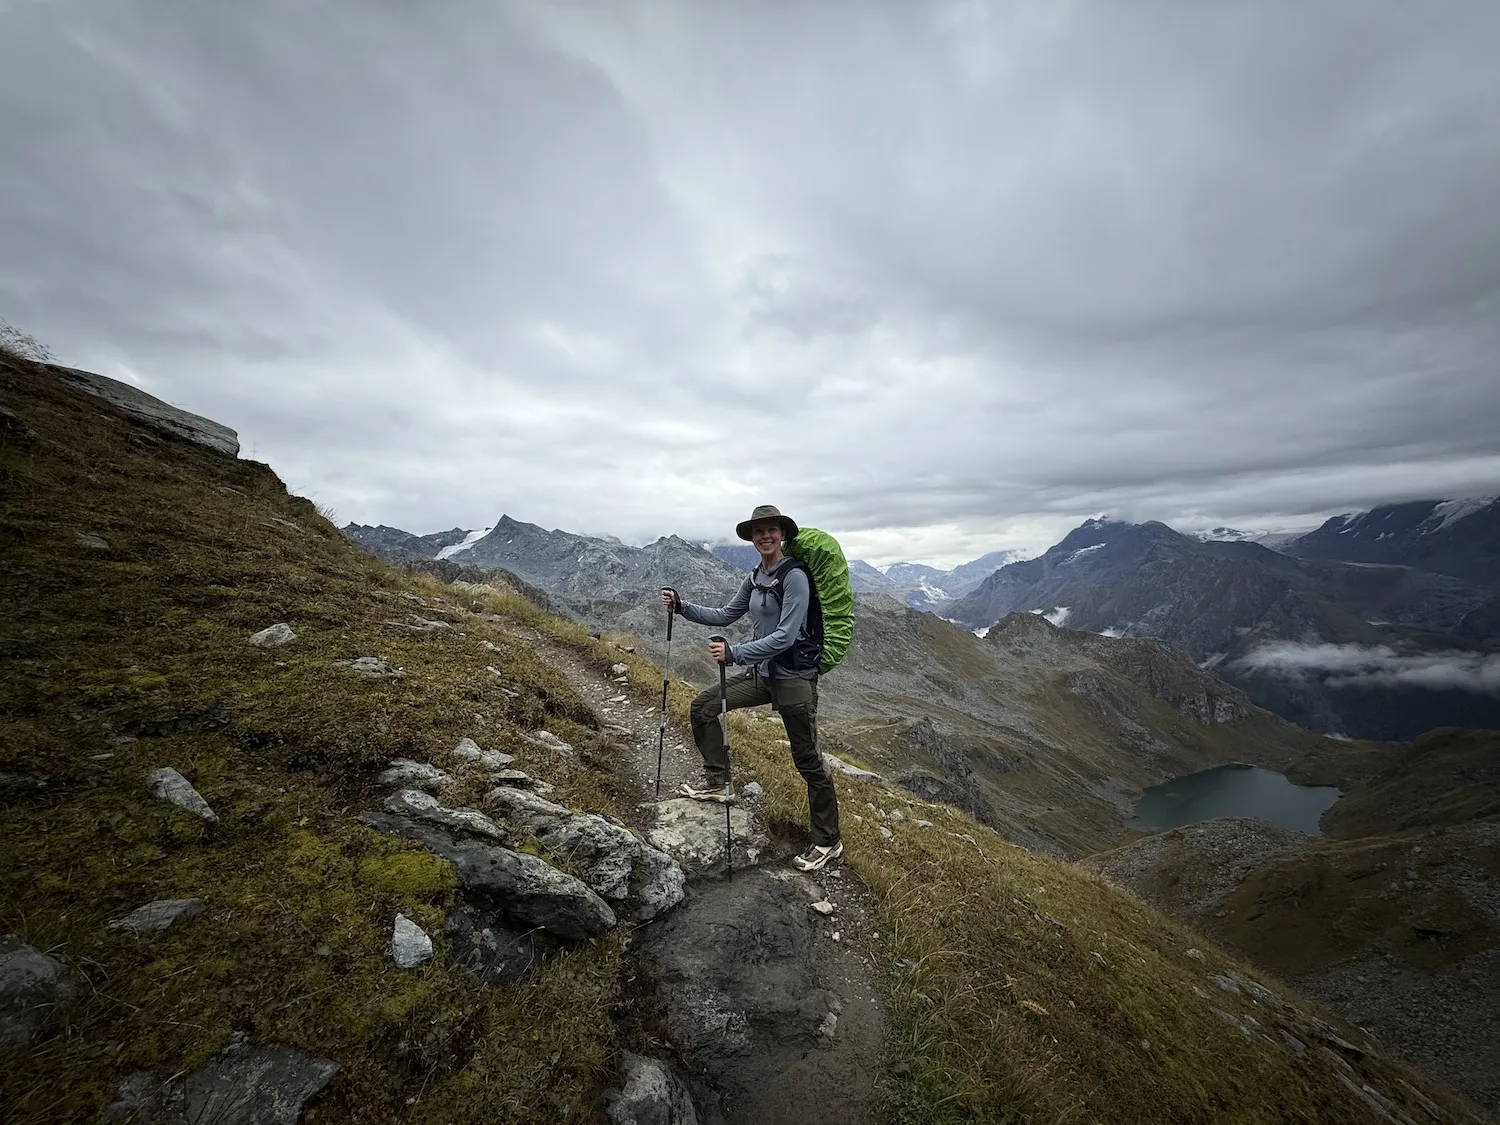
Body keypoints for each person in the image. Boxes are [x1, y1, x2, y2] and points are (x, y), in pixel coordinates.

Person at [660, 504, 842, 872]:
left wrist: (736, 653)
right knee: (703, 707)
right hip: (763, 675)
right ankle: (718, 782)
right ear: (751, 537)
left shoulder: (795, 577)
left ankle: (828, 840)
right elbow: (726, 614)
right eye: (758, 531)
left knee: (807, 759)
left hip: (793, 677)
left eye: (771, 530)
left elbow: (786, 636)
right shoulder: (756, 576)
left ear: (782, 534)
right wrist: (682, 607)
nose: (764, 536)